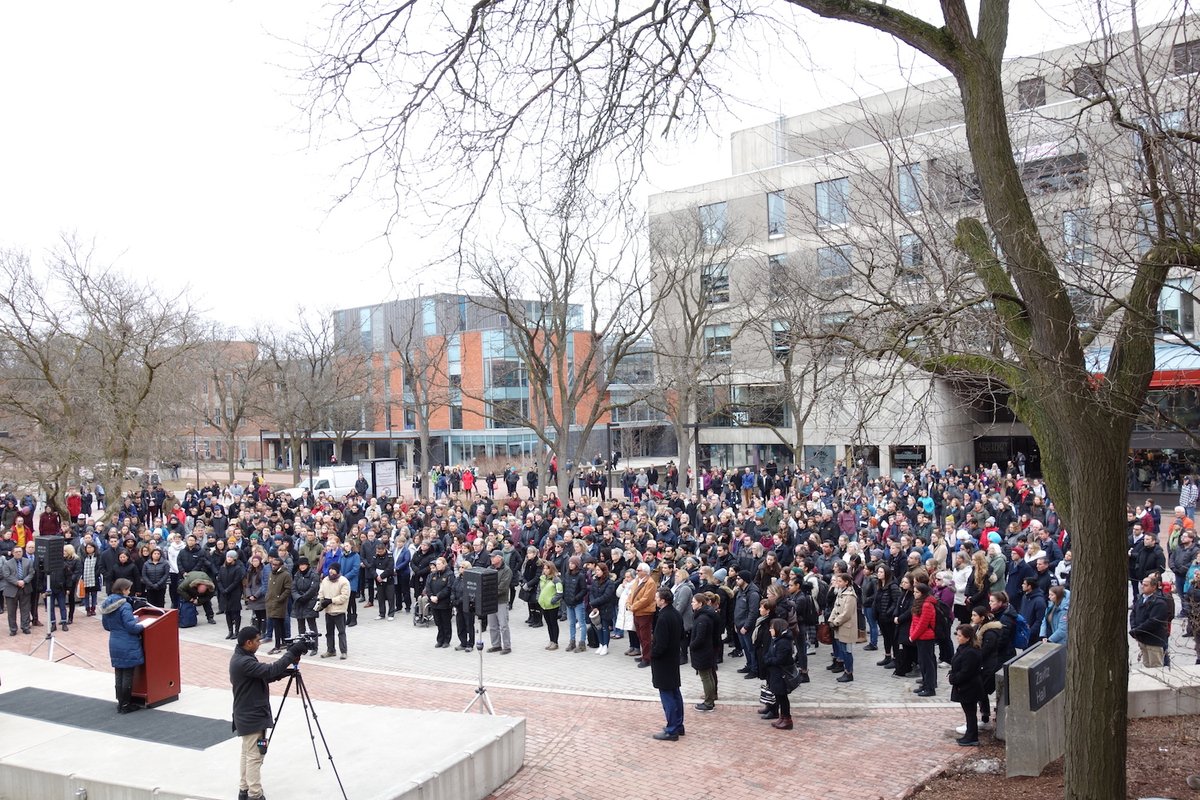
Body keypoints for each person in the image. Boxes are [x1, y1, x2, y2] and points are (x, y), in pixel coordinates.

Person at [229, 626, 306, 800]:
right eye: (257, 640)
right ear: (248, 643)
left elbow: (264, 676)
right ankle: (255, 794)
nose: (259, 643)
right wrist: (291, 653)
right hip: (252, 717)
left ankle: (244, 789)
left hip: (247, 714)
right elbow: (269, 670)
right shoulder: (243, 662)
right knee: (255, 756)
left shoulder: (243, 656)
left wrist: (286, 672)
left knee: (247, 754)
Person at [99, 577, 148, 714]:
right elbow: (131, 627)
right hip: (127, 642)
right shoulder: (125, 605)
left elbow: (106, 626)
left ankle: (120, 703)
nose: (129, 591)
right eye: (128, 589)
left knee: (119, 673)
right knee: (127, 674)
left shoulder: (107, 604)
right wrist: (141, 625)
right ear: (123, 590)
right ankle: (126, 704)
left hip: (114, 641)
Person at [650, 587, 685, 741]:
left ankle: (672, 730)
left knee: (667, 696)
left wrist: (653, 654)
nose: (655, 600)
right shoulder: (675, 614)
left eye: (657, 598)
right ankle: (678, 725)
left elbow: (660, 644)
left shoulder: (664, 617)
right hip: (673, 659)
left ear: (663, 600)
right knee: (675, 693)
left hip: (664, 661)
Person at [948, 624, 983, 746]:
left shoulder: (971, 652)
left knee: (970, 712)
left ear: (967, 638)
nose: (957, 638)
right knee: (969, 712)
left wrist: (954, 678)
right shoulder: (964, 648)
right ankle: (970, 734)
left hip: (969, 687)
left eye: (960, 636)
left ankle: (972, 736)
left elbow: (966, 671)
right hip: (965, 686)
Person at [761, 618, 796, 730]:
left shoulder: (783, 642)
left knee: (782, 697)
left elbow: (780, 659)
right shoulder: (776, 640)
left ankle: (787, 719)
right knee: (778, 696)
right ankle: (782, 717)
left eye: (772, 628)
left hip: (781, 674)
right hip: (775, 673)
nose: (770, 630)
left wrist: (768, 660)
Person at [1130, 574, 1171, 667]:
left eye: (1145, 585)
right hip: (1142, 638)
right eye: (1142, 584)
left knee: (1155, 667)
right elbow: (1133, 614)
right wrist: (1134, 628)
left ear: (1153, 587)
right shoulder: (1141, 598)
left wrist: (1137, 630)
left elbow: (1153, 621)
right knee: (1146, 665)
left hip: (1154, 640)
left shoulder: (1160, 602)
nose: (1142, 587)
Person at [909, 582, 938, 697]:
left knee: (927, 663)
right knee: (922, 662)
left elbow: (923, 624)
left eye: (917, 592)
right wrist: (912, 634)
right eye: (914, 592)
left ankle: (930, 688)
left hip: (926, 637)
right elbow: (914, 621)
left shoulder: (927, 605)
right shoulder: (918, 603)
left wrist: (913, 636)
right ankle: (925, 684)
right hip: (919, 637)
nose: (914, 594)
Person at [828, 572, 858, 682]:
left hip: (846, 627)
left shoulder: (850, 596)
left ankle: (849, 672)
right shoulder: (841, 592)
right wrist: (831, 619)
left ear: (846, 582)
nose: (837, 583)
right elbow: (835, 608)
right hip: (840, 626)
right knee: (842, 649)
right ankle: (846, 670)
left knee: (847, 651)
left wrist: (835, 622)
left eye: (840, 581)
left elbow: (846, 613)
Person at [317, 562, 351, 659]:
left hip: (339, 611)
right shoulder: (325, 580)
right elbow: (321, 593)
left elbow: (344, 597)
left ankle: (344, 652)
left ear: (337, 570)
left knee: (341, 632)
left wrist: (331, 600)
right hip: (328, 611)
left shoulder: (344, 581)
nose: (331, 571)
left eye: (333, 569)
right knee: (329, 633)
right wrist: (320, 603)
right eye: (330, 569)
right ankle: (330, 650)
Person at [2, 543, 35, 635]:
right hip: (11, 590)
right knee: (11, 611)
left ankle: (25, 627)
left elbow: (31, 573)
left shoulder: (28, 562)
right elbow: (6, 575)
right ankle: (13, 629)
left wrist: (24, 581)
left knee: (25, 609)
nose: (18, 553)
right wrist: (17, 582)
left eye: (20, 552)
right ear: (12, 553)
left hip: (25, 588)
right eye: (16, 552)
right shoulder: (7, 563)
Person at [265, 556, 293, 654]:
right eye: (272, 564)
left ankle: (277, 646)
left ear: (281, 565)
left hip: (279, 604)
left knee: (277, 624)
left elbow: (288, 589)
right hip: (270, 602)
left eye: (276, 565)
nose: (273, 566)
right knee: (278, 624)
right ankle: (282, 642)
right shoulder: (271, 574)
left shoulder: (285, 575)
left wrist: (280, 598)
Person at [487, 550, 513, 654]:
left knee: (503, 625)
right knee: (492, 625)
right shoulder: (489, 569)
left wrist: (489, 593)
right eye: (491, 557)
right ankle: (496, 645)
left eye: (493, 557)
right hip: (491, 602)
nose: (491, 559)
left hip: (501, 601)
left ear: (500, 558)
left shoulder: (507, 570)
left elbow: (502, 587)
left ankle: (507, 646)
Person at [291, 557, 320, 649]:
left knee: (312, 626)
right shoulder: (297, 575)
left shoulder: (314, 575)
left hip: (310, 602)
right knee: (301, 626)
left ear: (307, 565)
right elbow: (293, 588)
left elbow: (313, 589)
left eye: (304, 565)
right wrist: (298, 597)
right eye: (300, 565)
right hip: (299, 602)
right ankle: (302, 645)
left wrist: (304, 597)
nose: (302, 567)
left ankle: (314, 646)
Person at [218, 551, 247, 640]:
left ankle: (236, 631)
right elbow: (219, 580)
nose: (229, 558)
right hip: (225, 593)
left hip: (234, 593)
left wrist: (227, 590)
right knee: (227, 612)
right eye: (228, 557)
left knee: (236, 612)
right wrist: (222, 590)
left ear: (234, 558)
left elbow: (236, 581)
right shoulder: (222, 568)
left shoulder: (237, 568)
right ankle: (230, 631)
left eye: (231, 557)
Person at [424, 556, 453, 648]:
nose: (437, 566)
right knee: (438, 622)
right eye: (436, 564)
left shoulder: (449, 574)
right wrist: (431, 596)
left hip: (444, 603)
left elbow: (448, 588)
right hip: (433, 602)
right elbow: (428, 586)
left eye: (439, 564)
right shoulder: (432, 575)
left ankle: (446, 640)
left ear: (444, 564)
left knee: (445, 622)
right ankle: (440, 639)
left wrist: (438, 596)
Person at [537, 560, 564, 650]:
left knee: (553, 623)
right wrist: (539, 598)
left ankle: (555, 642)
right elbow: (539, 590)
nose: (545, 570)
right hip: (544, 605)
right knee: (548, 624)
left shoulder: (556, 580)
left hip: (552, 606)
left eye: (547, 569)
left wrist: (553, 601)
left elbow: (559, 592)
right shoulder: (542, 578)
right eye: (544, 568)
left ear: (551, 569)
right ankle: (551, 640)